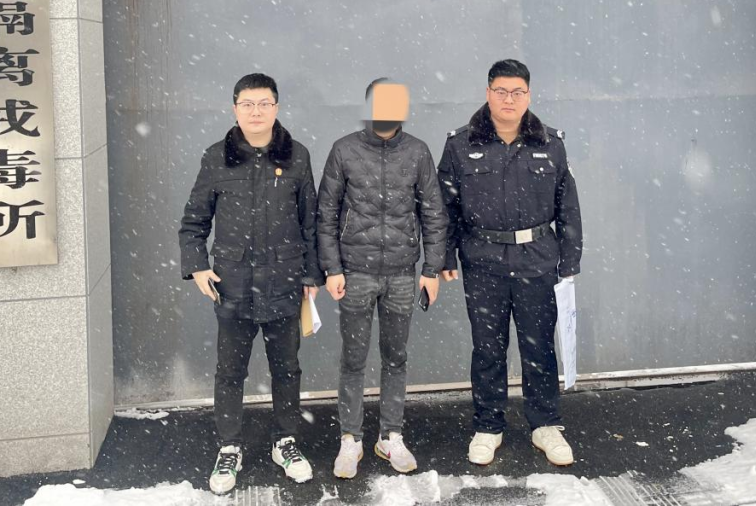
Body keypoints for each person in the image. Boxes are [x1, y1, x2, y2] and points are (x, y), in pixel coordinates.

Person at [178, 73, 321, 494]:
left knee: (286, 368)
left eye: (264, 104)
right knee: (230, 371)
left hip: (284, 281)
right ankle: (230, 446)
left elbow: (310, 222)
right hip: (233, 284)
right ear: (234, 108)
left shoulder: (297, 156)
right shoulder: (216, 158)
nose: (256, 112)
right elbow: (194, 221)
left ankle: (285, 441)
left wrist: (311, 274)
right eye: (247, 104)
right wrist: (197, 267)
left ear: (276, 108)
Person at [438, 59, 583, 467]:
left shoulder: (550, 143)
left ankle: (545, 424)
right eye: (501, 91)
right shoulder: (460, 145)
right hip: (483, 261)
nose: (509, 99)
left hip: (538, 260)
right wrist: (445, 255)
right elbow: (445, 208)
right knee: (488, 348)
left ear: (528, 96)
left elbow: (568, 206)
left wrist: (570, 260)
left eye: (517, 92)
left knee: (539, 347)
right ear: (488, 94)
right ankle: (488, 426)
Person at [318, 79, 448, 478]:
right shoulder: (344, 150)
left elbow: (433, 213)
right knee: (353, 359)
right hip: (355, 273)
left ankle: (391, 435)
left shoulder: (417, 152)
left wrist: (431, 269)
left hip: (402, 275)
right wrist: (332, 268)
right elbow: (326, 214)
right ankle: (350, 438)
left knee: (396, 357)